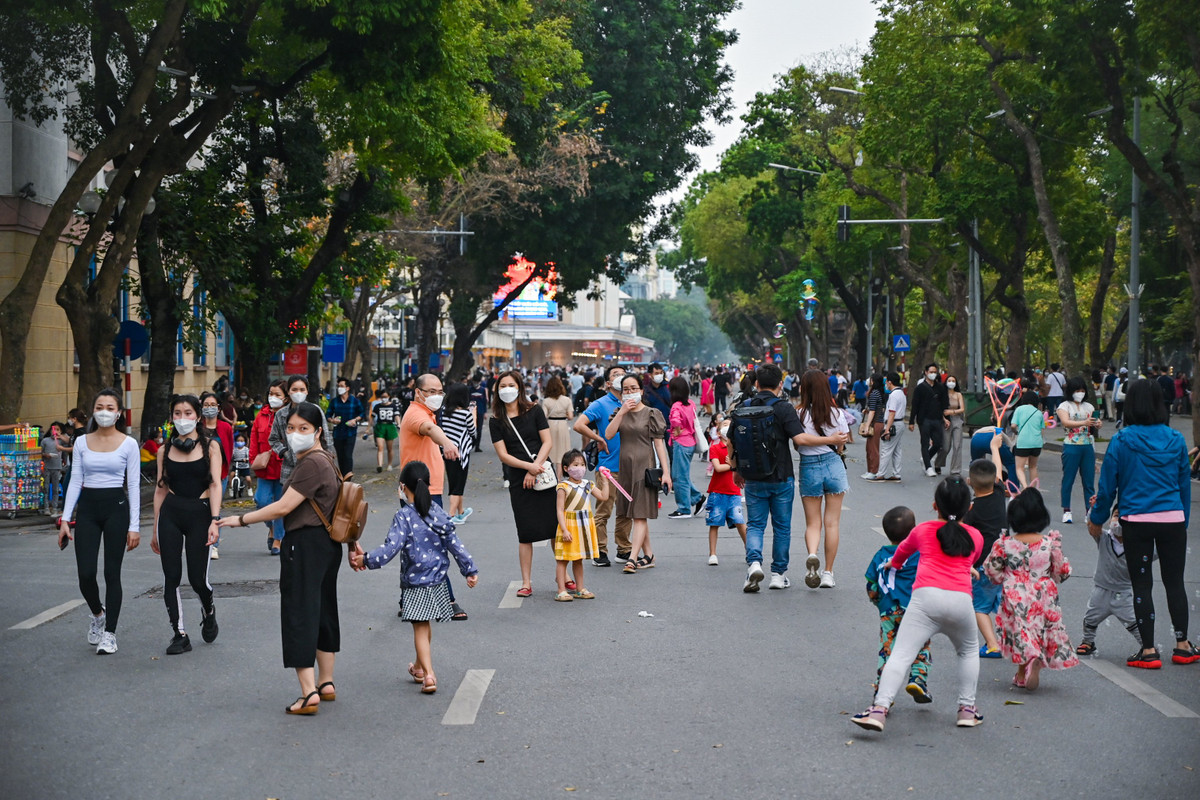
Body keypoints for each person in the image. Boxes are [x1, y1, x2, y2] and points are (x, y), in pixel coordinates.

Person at [217, 402, 344, 715]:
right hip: (328, 544)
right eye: (290, 428)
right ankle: (326, 682)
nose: (295, 434)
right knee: (323, 608)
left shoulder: (311, 463)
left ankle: (307, 692)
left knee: (300, 612)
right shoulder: (327, 458)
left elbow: (283, 507)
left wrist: (241, 519)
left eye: (303, 428)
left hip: (305, 544)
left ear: (317, 431)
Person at [851, 477, 984, 732]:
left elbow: (901, 553)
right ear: (969, 508)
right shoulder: (976, 536)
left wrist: (894, 565)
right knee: (967, 652)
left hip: (925, 601)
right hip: (961, 601)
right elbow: (966, 558)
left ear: (935, 506)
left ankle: (879, 710)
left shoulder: (922, 530)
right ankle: (967, 709)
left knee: (901, 655)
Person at [1087, 379, 1196, 668]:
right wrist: (1181, 519)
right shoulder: (1175, 439)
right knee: (1175, 583)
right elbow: (1183, 484)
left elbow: (1108, 486)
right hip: (1173, 518)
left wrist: (1096, 519)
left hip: (1136, 519)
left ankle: (1148, 651)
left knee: (1142, 585)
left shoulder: (1122, 440)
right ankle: (1183, 645)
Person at [351, 461, 479, 694]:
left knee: (420, 627)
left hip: (416, 581)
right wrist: (469, 569)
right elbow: (455, 544)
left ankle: (429, 674)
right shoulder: (439, 513)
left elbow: (391, 549)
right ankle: (419, 667)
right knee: (425, 623)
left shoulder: (404, 516)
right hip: (438, 580)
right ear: (428, 485)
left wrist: (366, 559)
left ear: (402, 487)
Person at [735, 364, 847, 592]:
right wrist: (832, 441)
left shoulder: (746, 406)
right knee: (794, 526)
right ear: (779, 384)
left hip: (756, 475)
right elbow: (802, 439)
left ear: (756, 384)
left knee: (757, 525)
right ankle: (789, 574)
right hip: (785, 474)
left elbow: (733, 440)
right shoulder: (786, 409)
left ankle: (755, 564)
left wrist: (737, 468)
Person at [57, 389, 141, 655]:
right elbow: (75, 481)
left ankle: (110, 634)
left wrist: (134, 526)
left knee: (111, 573)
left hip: (117, 508)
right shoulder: (82, 442)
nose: (104, 411)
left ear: (118, 413)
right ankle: (97, 613)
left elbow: (135, 486)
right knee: (85, 574)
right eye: (99, 406)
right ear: (93, 411)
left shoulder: (129, 444)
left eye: (110, 407)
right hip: (88, 510)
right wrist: (65, 519)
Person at [983, 488, 1078, 690]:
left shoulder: (1005, 544)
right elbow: (1062, 571)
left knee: (1020, 633)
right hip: (1043, 593)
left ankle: (1022, 670)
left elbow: (992, 570)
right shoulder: (1050, 543)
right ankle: (1030, 666)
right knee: (1039, 631)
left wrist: (1005, 577)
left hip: (1015, 594)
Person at [151, 395, 223, 655]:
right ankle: (179, 634)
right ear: (172, 418)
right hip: (171, 512)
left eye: (188, 413)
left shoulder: (210, 446)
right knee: (171, 577)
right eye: (178, 413)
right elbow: (160, 490)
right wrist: (155, 527)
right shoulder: (163, 450)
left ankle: (209, 607)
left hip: (200, 514)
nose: (183, 418)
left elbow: (215, 485)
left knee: (197, 579)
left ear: (198, 416)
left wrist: (215, 521)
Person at [490, 369, 558, 596]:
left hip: (544, 473)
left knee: (555, 526)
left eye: (510, 385)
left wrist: (535, 467)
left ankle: (563, 574)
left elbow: (547, 441)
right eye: (502, 386)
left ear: (519, 387)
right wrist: (527, 468)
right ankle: (526, 582)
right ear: (497, 390)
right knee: (525, 530)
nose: (506, 389)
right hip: (519, 477)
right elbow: (503, 455)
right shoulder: (496, 420)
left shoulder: (535, 410)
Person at [864, 506, 934, 704]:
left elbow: (871, 585)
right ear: (914, 531)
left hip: (888, 610)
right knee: (921, 644)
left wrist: (878, 603)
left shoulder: (880, 555)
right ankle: (918, 680)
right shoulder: (919, 553)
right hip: (916, 608)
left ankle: (881, 691)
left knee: (887, 650)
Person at [605, 374, 672, 574]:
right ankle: (649, 555)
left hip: (645, 468)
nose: (630, 392)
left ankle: (632, 558)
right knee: (634, 513)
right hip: (625, 469)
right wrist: (622, 412)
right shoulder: (620, 412)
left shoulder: (652, 413)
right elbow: (608, 435)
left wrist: (666, 474)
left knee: (639, 515)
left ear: (642, 391)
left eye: (633, 388)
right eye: (626, 389)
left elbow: (659, 445)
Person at [795, 369, 851, 589]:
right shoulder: (837, 413)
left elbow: (798, 442)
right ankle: (828, 572)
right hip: (834, 465)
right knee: (832, 523)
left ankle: (812, 554)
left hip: (809, 467)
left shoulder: (798, 414)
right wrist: (833, 442)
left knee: (813, 522)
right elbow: (841, 444)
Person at [573, 365, 632, 567]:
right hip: (608, 467)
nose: (620, 377)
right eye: (615, 375)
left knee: (626, 511)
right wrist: (598, 438)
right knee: (603, 511)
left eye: (623, 374)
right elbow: (579, 424)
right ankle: (600, 550)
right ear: (608, 383)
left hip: (630, 467)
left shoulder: (633, 402)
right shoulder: (601, 403)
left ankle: (624, 549)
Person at [1076, 511, 1143, 656]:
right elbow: (1092, 526)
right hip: (1101, 590)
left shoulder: (1138, 545)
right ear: (1109, 519)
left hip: (1123, 593)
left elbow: (1157, 551)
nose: (1119, 520)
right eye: (1116, 515)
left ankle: (1146, 646)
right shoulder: (1103, 537)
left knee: (1134, 623)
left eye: (1125, 517)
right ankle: (1087, 642)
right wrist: (1094, 510)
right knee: (1090, 619)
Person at [964, 448, 1007, 659]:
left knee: (979, 607)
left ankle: (992, 644)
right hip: (1006, 563)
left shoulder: (971, 509)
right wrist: (994, 448)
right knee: (1003, 605)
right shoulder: (999, 495)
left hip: (983, 565)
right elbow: (997, 471)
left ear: (969, 481)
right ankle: (1014, 639)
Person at [552, 449, 608, 601]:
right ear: (566, 468)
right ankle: (561, 590)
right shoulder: (563, 486)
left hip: (583, 526)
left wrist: (605, 480)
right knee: (563, 559)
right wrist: (564, 529)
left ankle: (580, 588)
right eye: (575, 464)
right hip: (569, 526)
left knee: (578, 559)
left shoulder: (588, 484)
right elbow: (560, 509)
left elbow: (604, 496)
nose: (580, 468)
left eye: (582, 464)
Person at [1056, 377, 1101, 524]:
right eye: (1077, 390)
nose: (1080, 393)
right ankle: (1067, 510)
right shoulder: (1064, 406)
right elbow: (1066, 422)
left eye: (1082, 390)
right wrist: (1084, 422)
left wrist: (1097, 423)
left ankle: (1089, 510)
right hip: (1071, 445)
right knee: (1068, 479)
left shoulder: (1089, 406)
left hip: (1087, 445)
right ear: (1071, 392)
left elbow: (1093, 425)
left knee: (1089, 481)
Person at [251, 380, 287, 554]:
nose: (273, 397)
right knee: (261, 501)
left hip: (284, 468)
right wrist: (253, 459)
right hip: (264, 467)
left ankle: (278, 539)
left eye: (278, 394)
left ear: (286, 398)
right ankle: (271, 526)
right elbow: (253, 439)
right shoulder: (262, 415)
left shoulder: (290, 415)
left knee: (280, 505)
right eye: (271, 394)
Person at [704, 416, 746, 565]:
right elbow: (718, 468)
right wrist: (732, 466)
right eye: (724, 425)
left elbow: (744, 467)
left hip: (734, 492)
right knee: (714, 523)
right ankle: (713, 554)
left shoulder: (739, 448)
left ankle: (750, 551)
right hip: (717, 491)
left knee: (740, 522)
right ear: (719, 431)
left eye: (730, 425)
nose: (727, 427)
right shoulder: (715, 448)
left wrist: (734, 464)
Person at [200, 391, 234, 559]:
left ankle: (214, 545)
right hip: (200, 475)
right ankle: (199, 540)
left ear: (219, 408)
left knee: (215, 509)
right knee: (200, 508)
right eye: (206, 405)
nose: (209, 408)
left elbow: (230, 449)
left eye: (213, 405)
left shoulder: (226, 427)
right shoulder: (197, 427)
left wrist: (230, 469)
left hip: (220, 475)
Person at [439, 382, 476, 524]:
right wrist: (473, 415)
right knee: (457, 486)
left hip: (447, 452)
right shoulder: (465, 414)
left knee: (454, 482)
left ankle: (461, 512)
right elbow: (473, 432)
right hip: (461, 453)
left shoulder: (443, 411)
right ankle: (451, 515)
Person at [667, 375, 703, 519]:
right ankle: (698, 499)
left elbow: (675, 419)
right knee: (682, 475)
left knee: (678, 477)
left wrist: (676, 427)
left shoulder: (676, 406)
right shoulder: (690, 403)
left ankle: (684, 508)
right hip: (690, 442)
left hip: (681, 442)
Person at [908, 363, 949, 477]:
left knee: (938, 443)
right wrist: (911, 421)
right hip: (924, 419)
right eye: (931, 372)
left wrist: (946, 418)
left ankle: (926, 458)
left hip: (937, 419)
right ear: (926, 372)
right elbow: (915, 405)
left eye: (935, 372)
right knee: (925, 443)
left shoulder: (940, 388)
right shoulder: (920, 388)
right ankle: (928, 467)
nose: (933, 374)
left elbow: (944, 405)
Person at [872, 372, 906, 482]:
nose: (886, 383)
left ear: (890, 382)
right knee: (897, 450)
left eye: (886, 381)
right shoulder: (901, 393)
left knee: (886, 449)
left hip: (893, 423)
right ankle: (896, 473)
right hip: (900, 423)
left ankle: (880, 474)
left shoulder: (893, 395)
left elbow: (892, 413)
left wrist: (887, 429)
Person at [328, 377, 364, 479]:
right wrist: (332, 420)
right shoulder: (335, 401)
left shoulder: (354, 401)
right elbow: (328, 415)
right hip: (338, 433)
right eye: (338, 386)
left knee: (348, 455)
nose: (339, 388)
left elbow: (362, 413)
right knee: (340, 456)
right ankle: (342, 477)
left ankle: (348, 477)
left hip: (350, 433)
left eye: (342, 386)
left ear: (347, 388)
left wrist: (355, 420)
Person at [1008, 391, 1044, 490]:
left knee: (1020, 468)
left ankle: (1025, 487)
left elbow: (1013, 426)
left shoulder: (1019, 409)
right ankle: (1033, 489)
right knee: (1033, 467)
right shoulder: (1039, 413)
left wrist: (1015, 431)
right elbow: (1042, 430)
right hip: (1037, 443)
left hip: (1023, 442)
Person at [541, 375, 574, 478]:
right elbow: (571, 416)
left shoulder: (546, 401)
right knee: (561, 453)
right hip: (563, 425)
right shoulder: (567, 400)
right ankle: (559, 479)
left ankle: (550, 477)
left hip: (550, 425)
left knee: (549, 451)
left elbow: (543, 416)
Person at [935, 374, 966, 475]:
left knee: (957, 446)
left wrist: (951, 412)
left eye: (953, 381)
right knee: (945, 447)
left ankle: (955, 469)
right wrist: (944, 417)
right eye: (949, 380)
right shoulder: (943, 394)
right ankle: (938, 464)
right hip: (945, 421)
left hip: (957, 420)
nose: (951, 382)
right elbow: (939, 408)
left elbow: (962, 409)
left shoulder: (958, 395)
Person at [859, 374, 886, 480]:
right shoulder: (879, 392)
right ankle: (870, 470)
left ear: (873, 381)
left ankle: (874, 471)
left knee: (873, 448)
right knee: (869, 447)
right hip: (877, 422)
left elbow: (873, 411)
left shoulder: (874, 393)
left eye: (870, 379)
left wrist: (867, 425)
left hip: (875, 423)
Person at [371, 388, 401, 472]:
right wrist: (370, 426)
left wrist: (399, 423)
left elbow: (397, 416)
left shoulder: (393, 406)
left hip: (390, 426)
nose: (383, 398)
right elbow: (372, 417)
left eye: (385, 396)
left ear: (389, 396)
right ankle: (379, 465)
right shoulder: (377, 406)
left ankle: (389, 464)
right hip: (380, 426)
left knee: (389, 448)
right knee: (380, 447)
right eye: (382, 396)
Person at [41, 424, 64, 514]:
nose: (55, 431)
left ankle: (54, 507)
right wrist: (45, 455)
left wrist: (63, 465)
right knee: (45, 487)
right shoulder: (45, 440)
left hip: (57, 467)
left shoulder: (61, 441)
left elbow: (65, 452)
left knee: (55, 488)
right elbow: (40, 452)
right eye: (54, 429)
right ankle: (46, 507)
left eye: (58, 430)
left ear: (61, 431)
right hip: (47, 467)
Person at [231, 432, 252, 498]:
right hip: (236, 466)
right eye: (238, 441)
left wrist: (246, 459)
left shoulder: (246, 449)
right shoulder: (234, 449)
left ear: (245, 442)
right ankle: (231, 488)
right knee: (231, 475)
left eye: (242, 441)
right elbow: (232, 456)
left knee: (248, 479)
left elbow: (249, 456)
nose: (240, 442)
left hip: (244, 467)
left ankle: (249, 488)